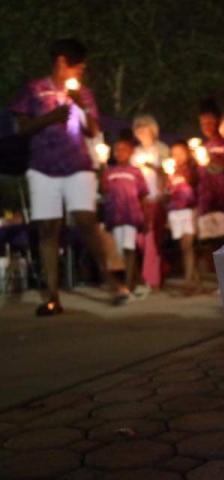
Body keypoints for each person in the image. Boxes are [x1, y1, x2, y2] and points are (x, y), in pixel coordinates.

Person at [10, 38, 125, 315]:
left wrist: (80, 106)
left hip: (78, 166)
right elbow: (21, 128)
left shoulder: (83, 93)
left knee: (86, 220)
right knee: (48, 229)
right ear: (62, 62)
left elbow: (93, 130)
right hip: (42, 167)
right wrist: (51, 118)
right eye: (79, 67)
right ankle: (52, 296)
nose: (81, 73)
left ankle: (112, 281)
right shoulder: (34, 90)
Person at [102, 135, 148, 296]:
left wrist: (145, 218)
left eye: (124, 149)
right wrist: (101, 169)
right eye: (117, 150)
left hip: (130, 216)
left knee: (129, 249)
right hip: (115, 217)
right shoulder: (109, 172)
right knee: (120, 252)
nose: (120, 152)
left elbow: (143, 195)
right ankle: (132, 281)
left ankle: (128, 285)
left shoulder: (136, 172)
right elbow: (103, 191)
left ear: (130, 153)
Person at [132, 114, 168, 290]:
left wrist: (152, 167)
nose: (141, 131)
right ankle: (158, 269)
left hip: (156, 198)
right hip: (139, 200)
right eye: (138, 127)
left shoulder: (161, 150)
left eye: (144, 127)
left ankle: (151, 279)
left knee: (152, 238)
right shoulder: (135, 153)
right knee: (140, 239)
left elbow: (167, 172)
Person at [196, 98, 224, 241]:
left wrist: (220, 163)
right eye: (202, 124)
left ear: (218, 121)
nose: (206, 127)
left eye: (209, 123)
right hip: (206, 205)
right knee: (208, 248)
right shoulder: (200, 150)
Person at [166, 141, 199, 291]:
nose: (177, 156)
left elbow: (198, 189)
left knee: (188, 245)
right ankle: (195, 279)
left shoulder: (193, 170)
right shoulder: (171, 172)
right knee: (183, 247)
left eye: (180, 153)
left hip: (188, 209)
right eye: (174, 154)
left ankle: (188, 281)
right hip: (175, 211)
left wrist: (197, 210)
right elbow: (168, 192)